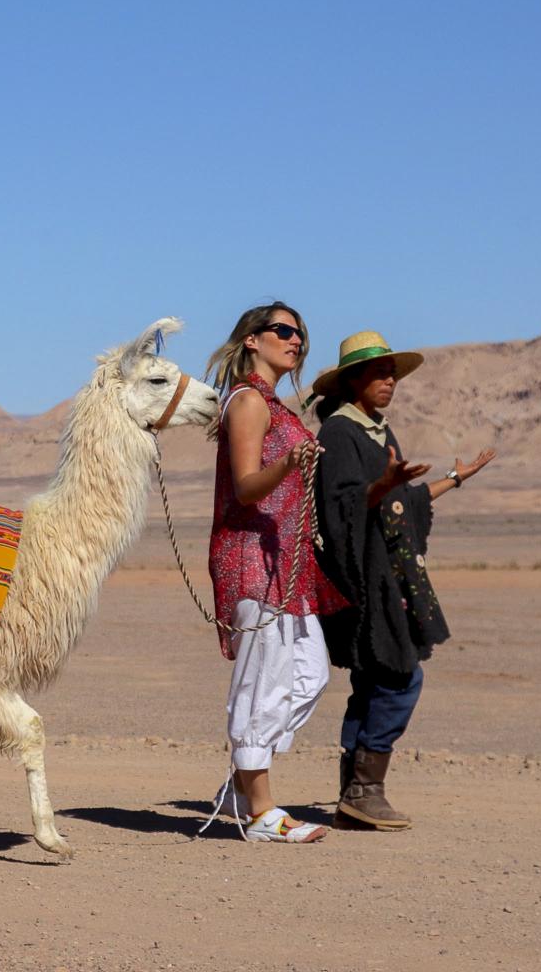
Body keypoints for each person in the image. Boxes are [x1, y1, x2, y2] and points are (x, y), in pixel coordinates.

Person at [309, 331, 495, 830]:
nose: (390, 380)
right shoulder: (339, 435)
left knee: (372, 684)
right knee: (400, 676)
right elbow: (343, 508)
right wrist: (382, 486)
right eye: (379, 372)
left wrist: (455, 480)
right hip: (364, 579)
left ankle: (354, 796)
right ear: (353, 380)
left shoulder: (378, 432)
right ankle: (366, 789)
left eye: (393, 372)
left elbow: (398, 502)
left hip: (390, 574)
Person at [200, 302, 347, 843]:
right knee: (261, 683)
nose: (296, 341)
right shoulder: (246, 402)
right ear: (252, 341)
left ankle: (243, 783)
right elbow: (245, 486)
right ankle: (262, 813)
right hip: (250, 559)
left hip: (287, 565)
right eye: (284, 331)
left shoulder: (278, 407)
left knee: (309, 675)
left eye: (301, 335)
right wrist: (289, 463)